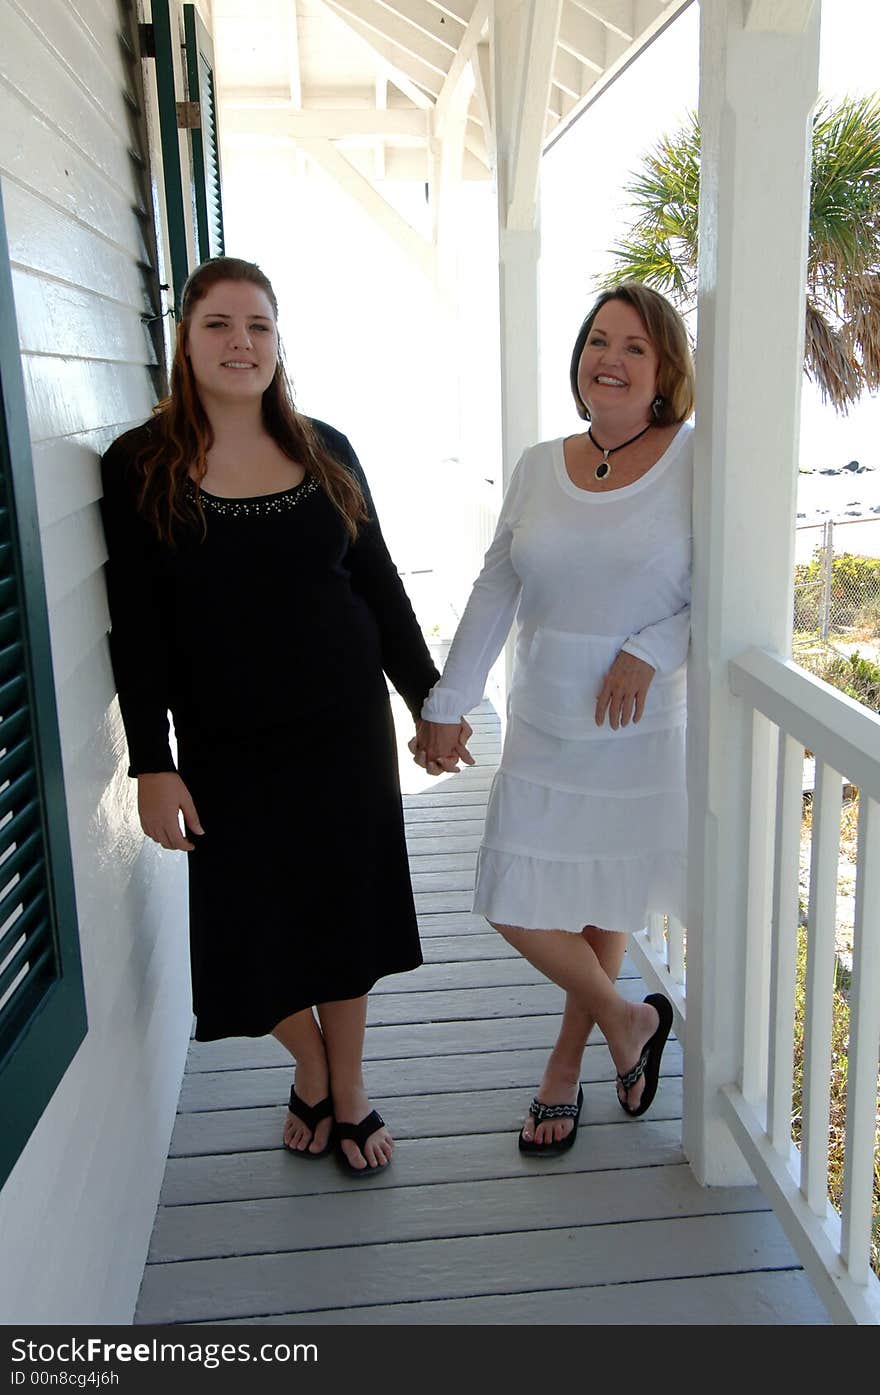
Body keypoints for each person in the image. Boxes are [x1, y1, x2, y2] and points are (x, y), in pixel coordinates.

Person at [100, 256, 467, 1174]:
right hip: (227, 747)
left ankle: (347, 1092)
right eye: (220, 324)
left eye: (259, 326)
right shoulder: (140, 466)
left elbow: (378, 588)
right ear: (183, 340)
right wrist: (153, 760)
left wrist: (431, 700)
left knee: (346, 917)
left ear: (278, 343)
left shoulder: (326, 449)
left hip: (344, 732)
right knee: (249, 933)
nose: (242, 343)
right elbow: (137, 633)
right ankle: (312, 1065)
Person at [412, 281, 693, 1153]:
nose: (609, 358)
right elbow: (498, 585)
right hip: (540, 721)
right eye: (598, 340)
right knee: (513, 894)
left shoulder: (696, 459)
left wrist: (653, 645)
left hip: (633, 728)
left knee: (602, 899)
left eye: (634, 347)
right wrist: (448, 703)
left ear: (663, 371)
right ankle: (628, 1018)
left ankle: (564, 1070)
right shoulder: (540, 464)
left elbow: (724, 593)